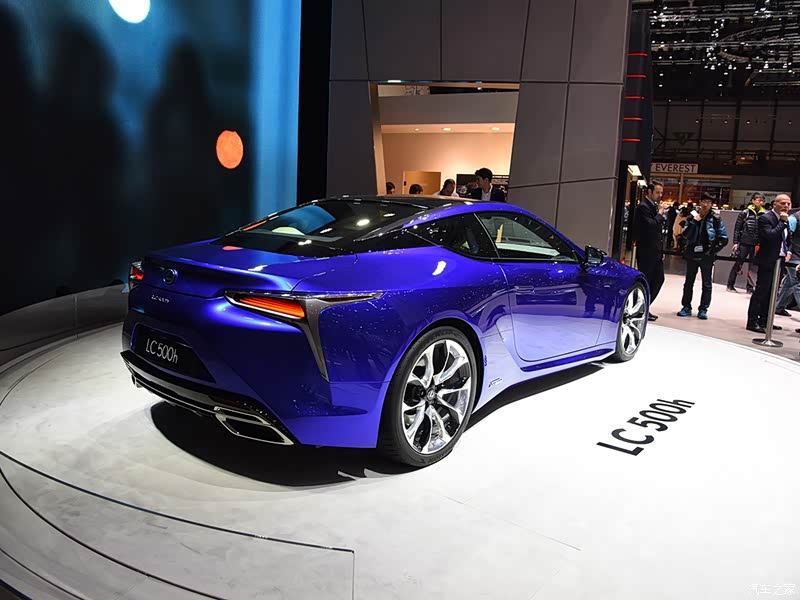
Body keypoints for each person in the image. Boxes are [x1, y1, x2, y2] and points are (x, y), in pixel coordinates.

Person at [676, 193, 729, 320]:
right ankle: (686, 307)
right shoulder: (692, 216)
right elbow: (685, 234)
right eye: (704, 201)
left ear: (712, 204)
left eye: (709, 202)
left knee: (707, 284)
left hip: (707, 255)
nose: (706, 204)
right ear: (700, 202)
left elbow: (724, 238)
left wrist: (712, 250)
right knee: (688, 282)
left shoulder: (715, 218)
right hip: (692, 253)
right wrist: (695, 221)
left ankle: (703, 309)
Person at [746, 194, 792, 333]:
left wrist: (788, 251)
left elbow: (787, 239)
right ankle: (752, 321)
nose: (786, 206)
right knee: (761, 291)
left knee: (772, 292)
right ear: (774, 204)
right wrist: (782, 222)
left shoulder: (786, 220)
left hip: (780, 261)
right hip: (767, 260)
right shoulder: (765, 218)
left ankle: (765, 320)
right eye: (782, 203)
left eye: (788, 204)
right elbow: (770, 235)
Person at [635, 180, 667, 321]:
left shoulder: (652, 206)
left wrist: (661, 250)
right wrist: (660, 214)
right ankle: (641, 309)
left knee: (658, 279)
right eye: (657, 192)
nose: (660, 195)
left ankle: (644, 307)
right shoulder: (643, 207)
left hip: (655, 251)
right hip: (646, 251)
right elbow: (651, 225)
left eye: (661, 193)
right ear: (649, 191)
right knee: (647, 280)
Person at [727, 192, 765, 293]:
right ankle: (730, 284)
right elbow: (737, 228)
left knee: (753, 266)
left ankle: (750, 287)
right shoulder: (745, 212)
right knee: (738, 263)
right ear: (753, 201)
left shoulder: (764, 214)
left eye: (762, 200)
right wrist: (735, 242)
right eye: (758, 200)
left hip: (756, 243)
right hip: (744, 242)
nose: (761, 202)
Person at [774, 208, 799, 316]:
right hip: (794, 256)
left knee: (789, 283)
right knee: (798, 283)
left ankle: (779, 307)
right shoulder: (794, 218)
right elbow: (787, 237)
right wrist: (788, 251)